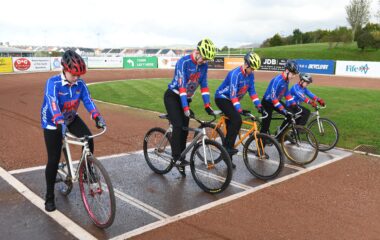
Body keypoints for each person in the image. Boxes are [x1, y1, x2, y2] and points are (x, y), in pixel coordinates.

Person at [40, 50, 106, 212]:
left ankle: (86, 170)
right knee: (53, 159)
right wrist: (59, 121)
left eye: (79, 75)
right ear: (64, 69)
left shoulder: (80, 84)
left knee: (88, 138)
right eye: (74, 74)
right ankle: (49, 197)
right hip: (52, 121)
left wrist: (96, 116)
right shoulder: (52, 83)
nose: (77, 78)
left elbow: (88, 101)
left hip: (70, 117)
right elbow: (52, 103)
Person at [164, 38, 216, 176]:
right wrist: (185, 108)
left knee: (185, 131)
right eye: (204, 58)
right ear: (197, 52)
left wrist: (207, 105)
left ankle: (182, 157)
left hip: (185, 99)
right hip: (173, 96)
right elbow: (181, 87)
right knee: (179, 125)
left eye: (207, 60)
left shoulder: (204, 66)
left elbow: (204, 86)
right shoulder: (184, 62)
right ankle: (176, 157)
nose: (205, 61)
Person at [215, 52, 263, 168]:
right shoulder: (235, 74)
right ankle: (227, 148)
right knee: (237, 120)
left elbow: (252, 91)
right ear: (246, 65)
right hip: (222, 98)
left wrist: (259, 105)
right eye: (252, 68)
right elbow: (232, 94)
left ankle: (227, 156)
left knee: (233, 125)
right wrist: (239, 109)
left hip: (233, 100)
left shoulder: (250, 75)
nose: (253, 71)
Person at [260, 60, 299, 136]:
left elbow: (286, 93)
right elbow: (273, 97)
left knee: (290, 115)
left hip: (276, 102)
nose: (294, 76)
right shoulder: (277, 80)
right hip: (267, 103)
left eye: (295, 74)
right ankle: (261, 144)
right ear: (287, 70)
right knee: (265, 125)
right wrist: (282, 109)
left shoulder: (286, 80)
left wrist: (294, 104)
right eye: (293, 74)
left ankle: (280, 135)